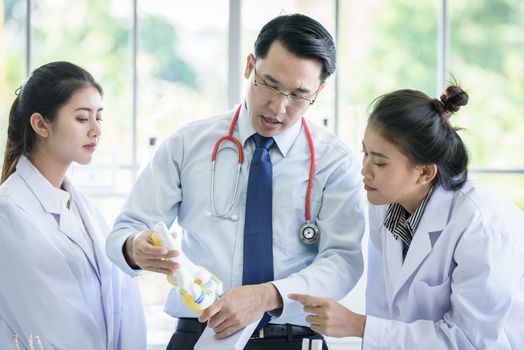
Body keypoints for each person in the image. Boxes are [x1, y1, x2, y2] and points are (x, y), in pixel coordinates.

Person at [105, 13, 365, 350]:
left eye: (299, 95)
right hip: (199, 335)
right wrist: (135, 247)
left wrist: (266, 296)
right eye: (269, 84)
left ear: (320, 89)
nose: (278, 107)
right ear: (249, 66)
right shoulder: (188, 145)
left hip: (292, 340)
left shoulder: (334, 162)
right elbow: (123, 231)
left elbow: (343, 260)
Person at [289, 85, 524, 349]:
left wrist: (357, 325)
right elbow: (384, 306)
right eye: (365, 152)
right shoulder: (385, 201)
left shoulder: (483, 228)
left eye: (380, 162)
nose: (364, 170)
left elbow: (468, 341)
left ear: (425, 173)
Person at [0, 61, 147, 349]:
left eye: (99, 118)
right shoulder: (10, 213)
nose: (96, 130)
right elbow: (53, 326)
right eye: (82, 118)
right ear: (41, 124)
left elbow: (122, 302)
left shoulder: (84, 210)